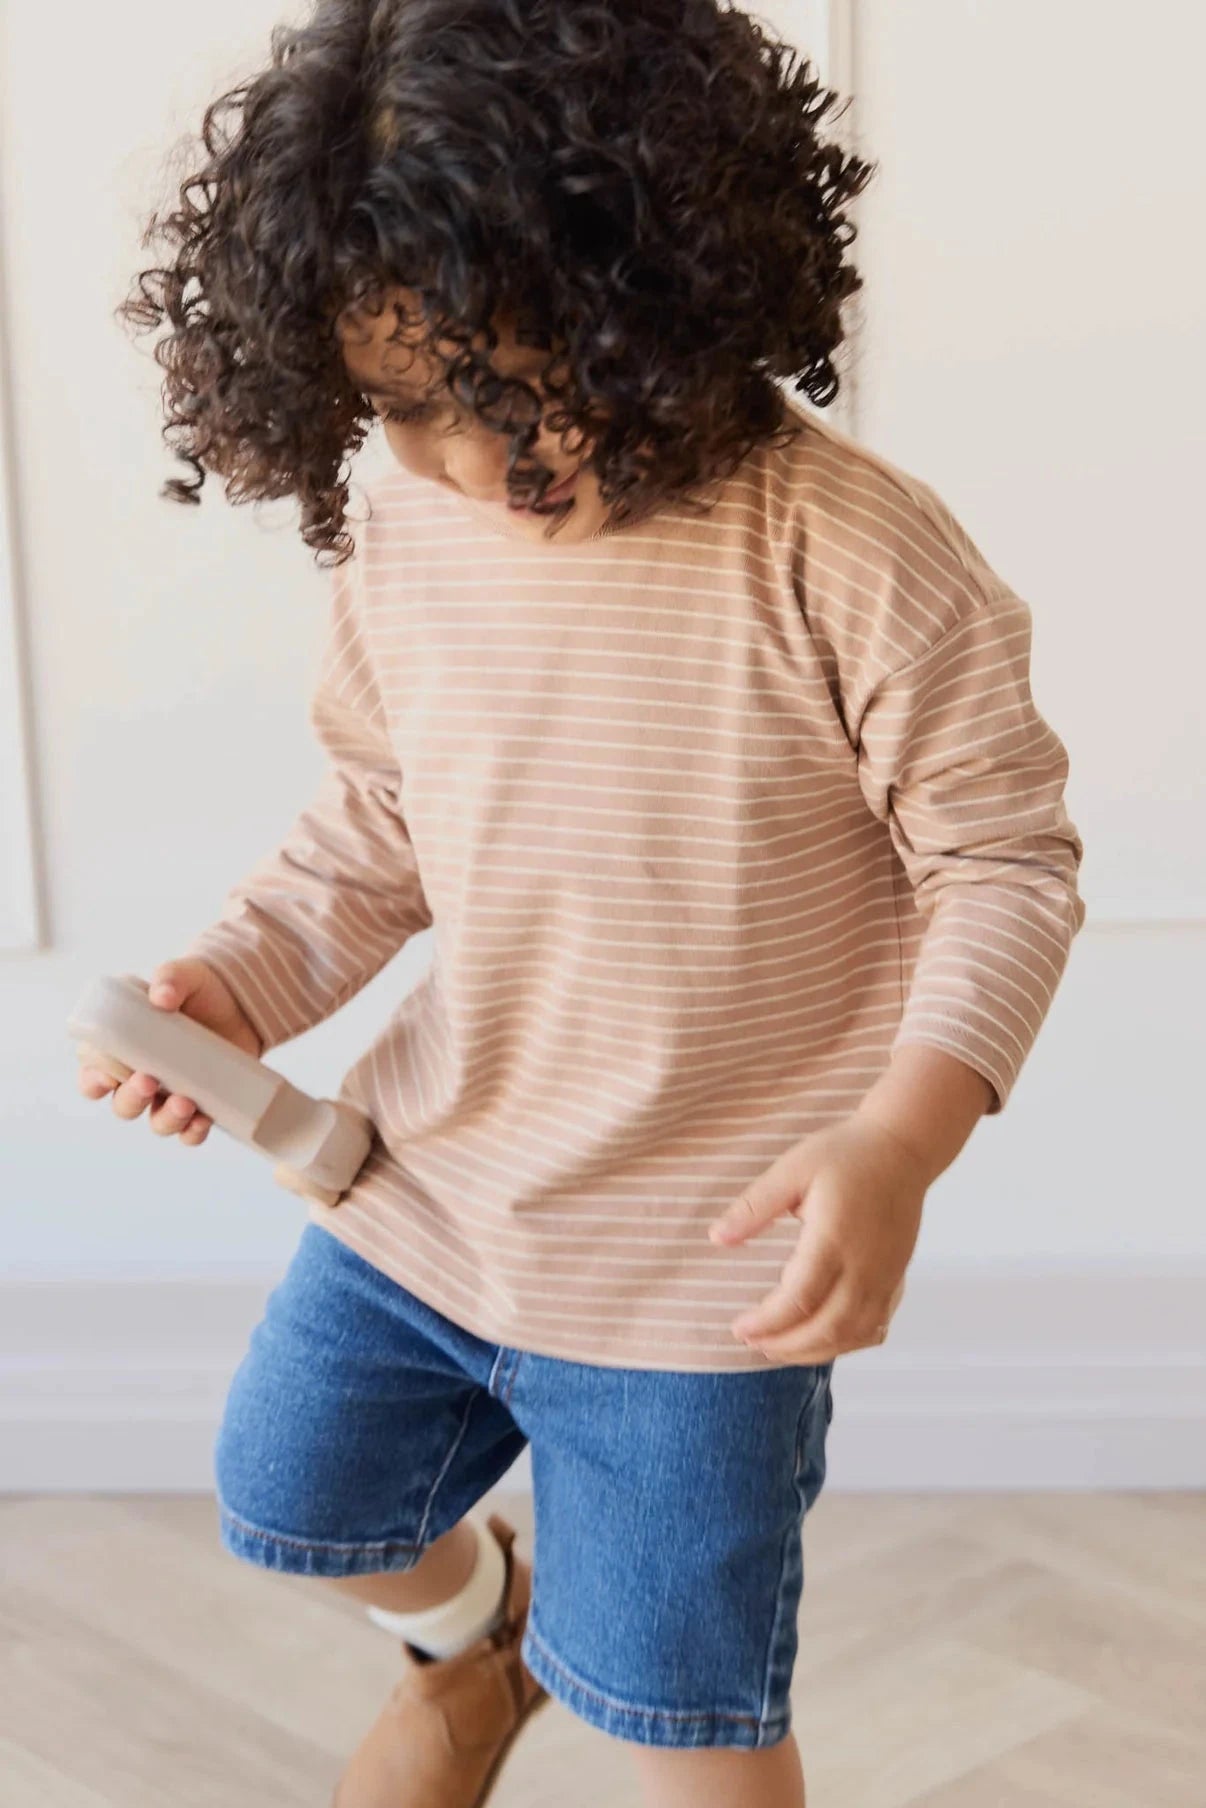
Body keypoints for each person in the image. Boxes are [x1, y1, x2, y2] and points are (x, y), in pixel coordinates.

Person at [82, 2, 1086, 1803]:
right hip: (434, 1182)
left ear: (667, 289)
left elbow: (1000, 860)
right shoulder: (406, 539)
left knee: (684, 1724)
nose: (485, 456)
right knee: (289, 1501)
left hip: (703, 1271)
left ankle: (569, 1665)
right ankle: (478, 1647)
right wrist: (240, 979)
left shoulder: (847, 547)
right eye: (406, 407)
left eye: (529, 379)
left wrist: (901, 1138)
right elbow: (382, 817)